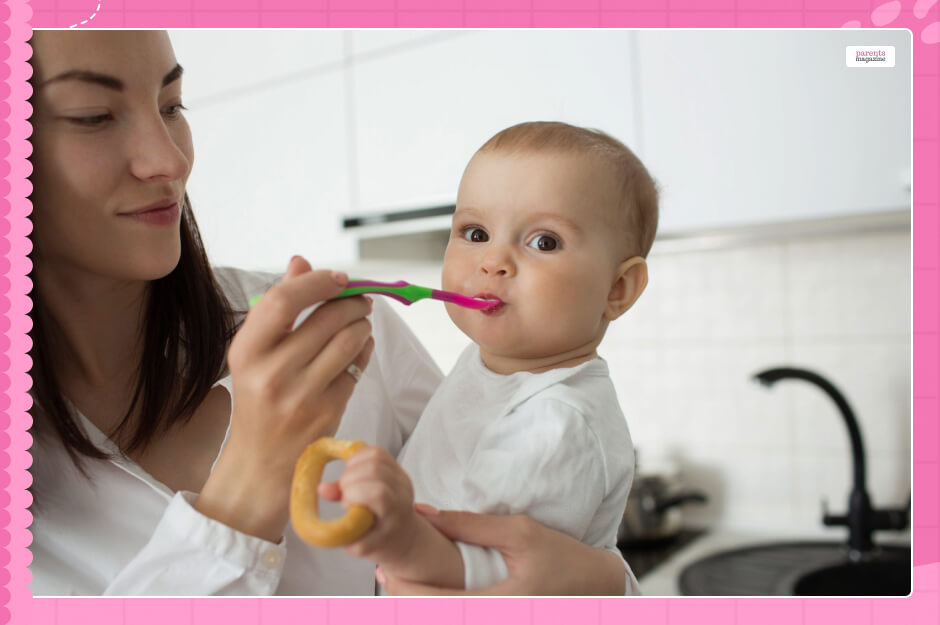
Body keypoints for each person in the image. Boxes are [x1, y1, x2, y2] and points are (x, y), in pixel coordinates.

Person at [25, 29, 632, 596]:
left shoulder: (341, 330)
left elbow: (514, 542)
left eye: (172, 105)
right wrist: (248, 483)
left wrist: (606, 585)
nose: (169, 160)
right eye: (93, 116)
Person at [326, 121, 657, 593]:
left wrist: (395, 533)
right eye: (475, 232)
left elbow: (498, 568)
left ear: (617, 289)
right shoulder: (489, 364)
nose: (492, 260)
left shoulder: (556, 420)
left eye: (544, 241)